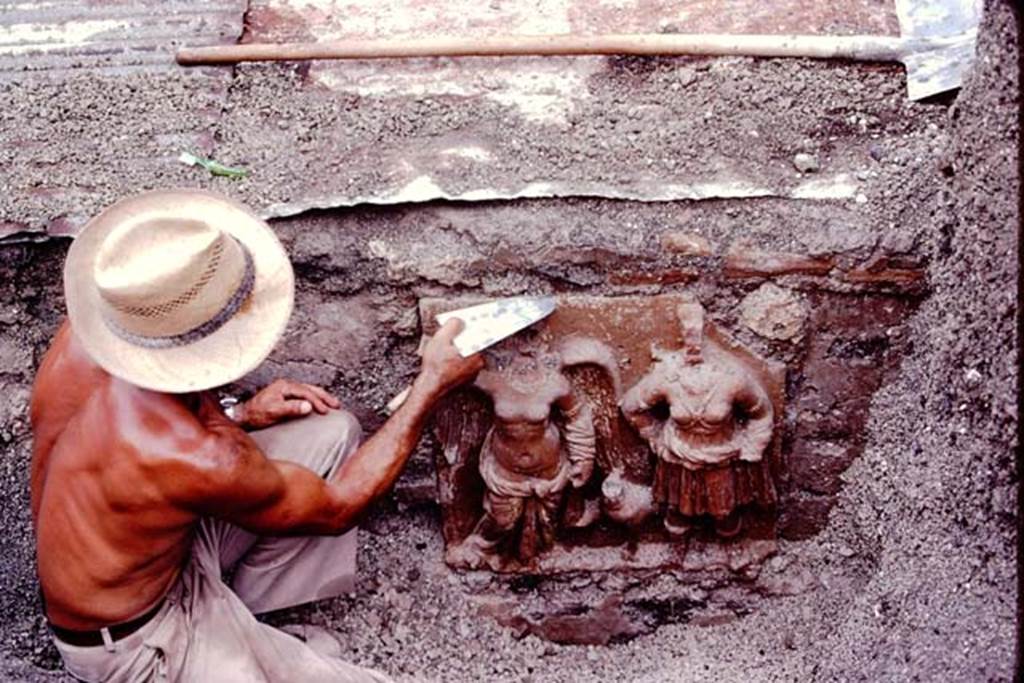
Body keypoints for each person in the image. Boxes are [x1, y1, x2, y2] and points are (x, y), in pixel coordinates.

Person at [30, 189, 483, 682]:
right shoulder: (199, 456)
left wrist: (239, 411)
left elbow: (136, 442)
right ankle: (220, 645)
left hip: (151, 557)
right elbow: (338, 508)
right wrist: (431, 387)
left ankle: (247, 620)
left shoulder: (85, 340)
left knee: (331, 435)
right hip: (134, 643)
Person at [620, 302, 775, 538]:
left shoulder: (732, 379)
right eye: (688, 341)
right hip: (679, 457)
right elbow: (631, 407)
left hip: (721, 455)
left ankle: (732, 553)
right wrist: (653, 435)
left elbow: (761, 413)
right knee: (677, 518)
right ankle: (675, 558)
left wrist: (753, 446)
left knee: (725, 517)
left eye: (698, 341)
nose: (694, 350)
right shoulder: (667, 379)